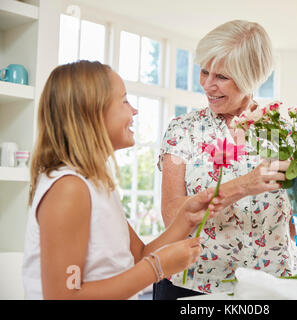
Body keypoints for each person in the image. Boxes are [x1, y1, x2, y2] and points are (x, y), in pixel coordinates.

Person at [22, 60, 223, 300]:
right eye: (125, 101)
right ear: (92, 112)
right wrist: (157, 267)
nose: (134, 110)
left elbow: (138, 255)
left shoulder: (97, 186)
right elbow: (63, 296)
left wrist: (185, 220)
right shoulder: (69, 189)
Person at [156, 20, 297, 300]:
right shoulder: (183, 130)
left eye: (222, 77)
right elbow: (171, 215)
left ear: (251, 77)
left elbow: (296, 218)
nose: (208, 85)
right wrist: (243, 186)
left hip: (271, 286)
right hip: (193, 287)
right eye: (205, 71)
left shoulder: (284, 131)